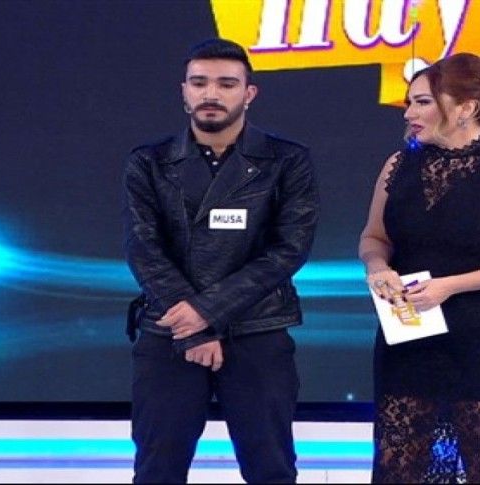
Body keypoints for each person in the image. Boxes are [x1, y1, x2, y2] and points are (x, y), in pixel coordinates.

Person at [122, 38, 319, 483]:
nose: (211, 93)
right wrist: (193, 327)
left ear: (249, 93)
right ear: (184, 91)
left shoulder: (288, 161)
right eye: (199, 83)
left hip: (257, 329)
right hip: (170, 329)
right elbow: (142, 246)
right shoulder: (149, 162)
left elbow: (289, 249)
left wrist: (206, 313)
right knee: (157, 470)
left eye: (226, 84)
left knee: (271, 469)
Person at [358, 52, 480, 483]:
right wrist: (377, 269)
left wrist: (450, 285)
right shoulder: (397, 166)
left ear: (465, 108)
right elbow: (375, 238)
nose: (408, 113)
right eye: (409, 102)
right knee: (398, 466)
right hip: (408, 336)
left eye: (422, 102)